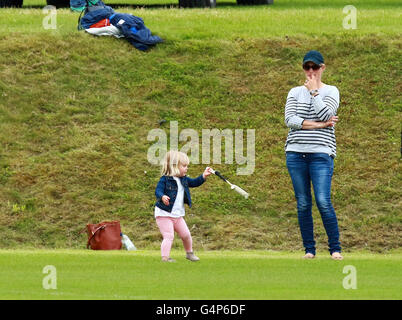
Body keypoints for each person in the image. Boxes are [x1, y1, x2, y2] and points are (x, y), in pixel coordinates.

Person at [284, 50, 343, 260]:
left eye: (314, 67)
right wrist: (321, 125)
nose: (311, 71)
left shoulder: (331, 91)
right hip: (295, 153)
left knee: (323, 201)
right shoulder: (294, 92)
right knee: (303, 203)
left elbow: (328, 113)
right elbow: (290, 120)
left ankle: (335, 249)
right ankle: (309, 249)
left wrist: (314, 93)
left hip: (321, 154)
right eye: (307, 67)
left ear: (322, 68)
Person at [154, 150, 212, 262]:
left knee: (186, 235)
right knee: (169, 236)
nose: (187, 168)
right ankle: (165, 258)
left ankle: (189, 253)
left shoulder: (184, 179)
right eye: (184, 166)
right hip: (164, 214)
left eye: (187, 166)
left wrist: (203, 176)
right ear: (174, 166)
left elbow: (195, 182)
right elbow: (158, 191)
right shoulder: (165, 179)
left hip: (178, 215)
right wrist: (162, 197)